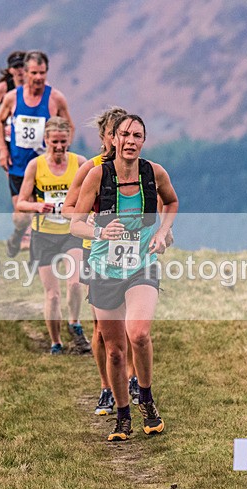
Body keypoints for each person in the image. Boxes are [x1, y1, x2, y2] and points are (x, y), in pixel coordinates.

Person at [70, 114, 178, 441]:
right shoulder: (96, 175)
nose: (131, 141)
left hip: (141, 264)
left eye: (138, 136)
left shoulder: (154, 172)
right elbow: (75, 223)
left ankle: (145, 398)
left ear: (143, 141)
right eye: (125, 135)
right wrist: (101, 231)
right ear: (113, 139)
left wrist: (162, 232)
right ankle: (122, 414)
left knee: (140, 334)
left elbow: (171, 202)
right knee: (114, 350)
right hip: (104, 268)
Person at [62, 106, 138, 416]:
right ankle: (107, 386)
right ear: (104, 136)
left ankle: (132, 379)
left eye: (125, 133)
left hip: (131, 251)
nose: (119, 140)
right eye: (113, 134)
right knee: (101, 328)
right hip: (96, 250)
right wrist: (97, 223)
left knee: (133, 321)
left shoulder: (137, 168)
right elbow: (69, 209)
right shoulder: (91, 169)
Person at [16, 117, 91, 355]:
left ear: (69, 139)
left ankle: (75, 322)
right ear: (46, 140)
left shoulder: (80, 163)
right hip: (44, 235)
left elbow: (94, 192)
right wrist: (37, 207)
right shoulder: (35, 166)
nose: (59, 147)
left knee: (76, 282)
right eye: (54, 142)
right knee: (52, 294)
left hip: (71, 232)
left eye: (63, 142)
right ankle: (55, 342)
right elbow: (21, 202)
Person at [0, 51, 73, 258]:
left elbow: (69, 126)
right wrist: (3, 149)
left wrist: (62, 153)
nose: (38, 77)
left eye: (43, 73)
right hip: (18, 165)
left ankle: (38, 258)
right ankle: (19, 235)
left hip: (44, 167)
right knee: (21, 216)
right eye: (34, 73)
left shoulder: (55, 98)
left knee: (42, 211)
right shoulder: (12, 98)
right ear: (25, 73)